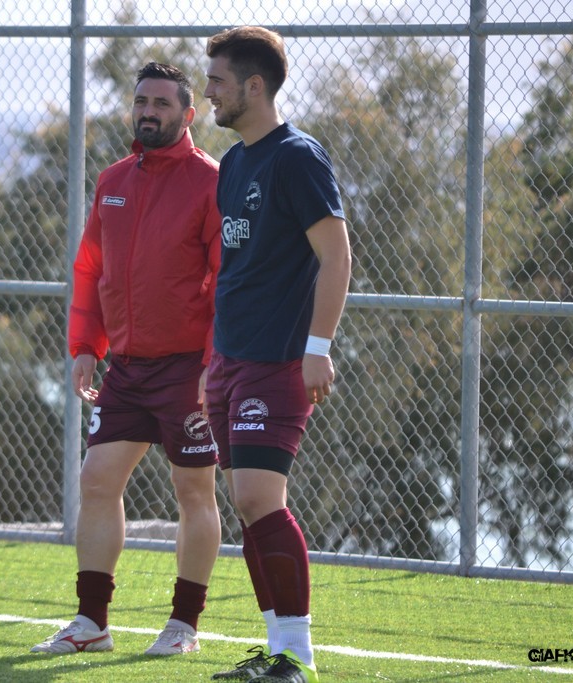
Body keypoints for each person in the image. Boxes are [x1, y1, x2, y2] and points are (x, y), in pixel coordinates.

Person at [31, 62, 223, 657]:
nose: (149, 112)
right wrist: (86, 348)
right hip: (126, 369)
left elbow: (228, 279)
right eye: (142, 101)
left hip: (187, 369)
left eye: (163, 103)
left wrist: (213, 364)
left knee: (194, 491)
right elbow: (91, 269)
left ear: (188, 114)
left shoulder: (212, 181)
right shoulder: (112, 180)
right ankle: (91, 623)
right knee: (96, 481)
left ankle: (183, 626)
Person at [202, 27, 352, 683]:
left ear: (254, 85)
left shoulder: (297, 157)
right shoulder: (233, 163)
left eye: (218, 81)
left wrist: (318, 347)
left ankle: (297, 655)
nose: (209, 92)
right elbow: (235, 270)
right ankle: (275, 648)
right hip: (229, 361)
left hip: (279, 360)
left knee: (261, 497)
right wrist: (211, 359)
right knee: (247, 504)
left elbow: (336, 257)